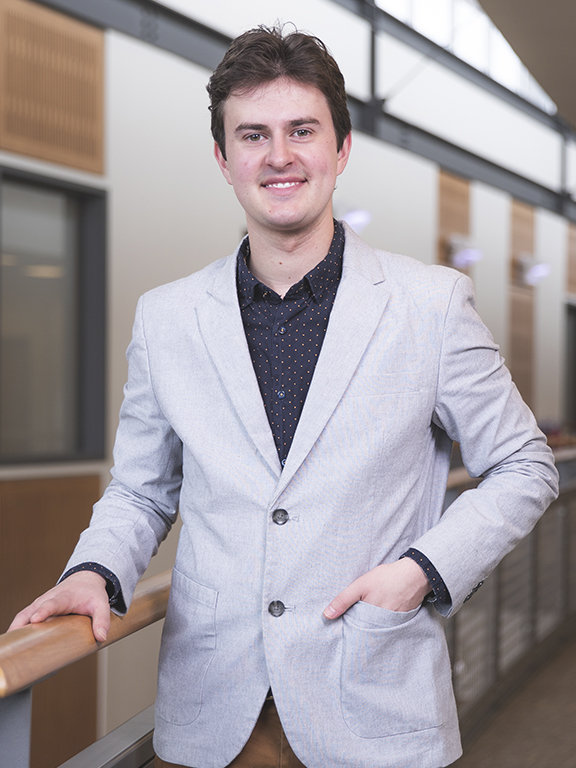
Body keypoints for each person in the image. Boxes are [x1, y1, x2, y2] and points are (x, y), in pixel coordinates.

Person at [10, 25, 558, 768]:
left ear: (341, 148)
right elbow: (141, 489)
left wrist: (423, 572)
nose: (279, 156)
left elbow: (526, 464)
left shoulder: (430, 305)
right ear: (223, 158)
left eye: (303, 130)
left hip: (374, 701)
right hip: (215, 713)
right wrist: (93, 572)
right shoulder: (168, 318)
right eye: (253, 135)